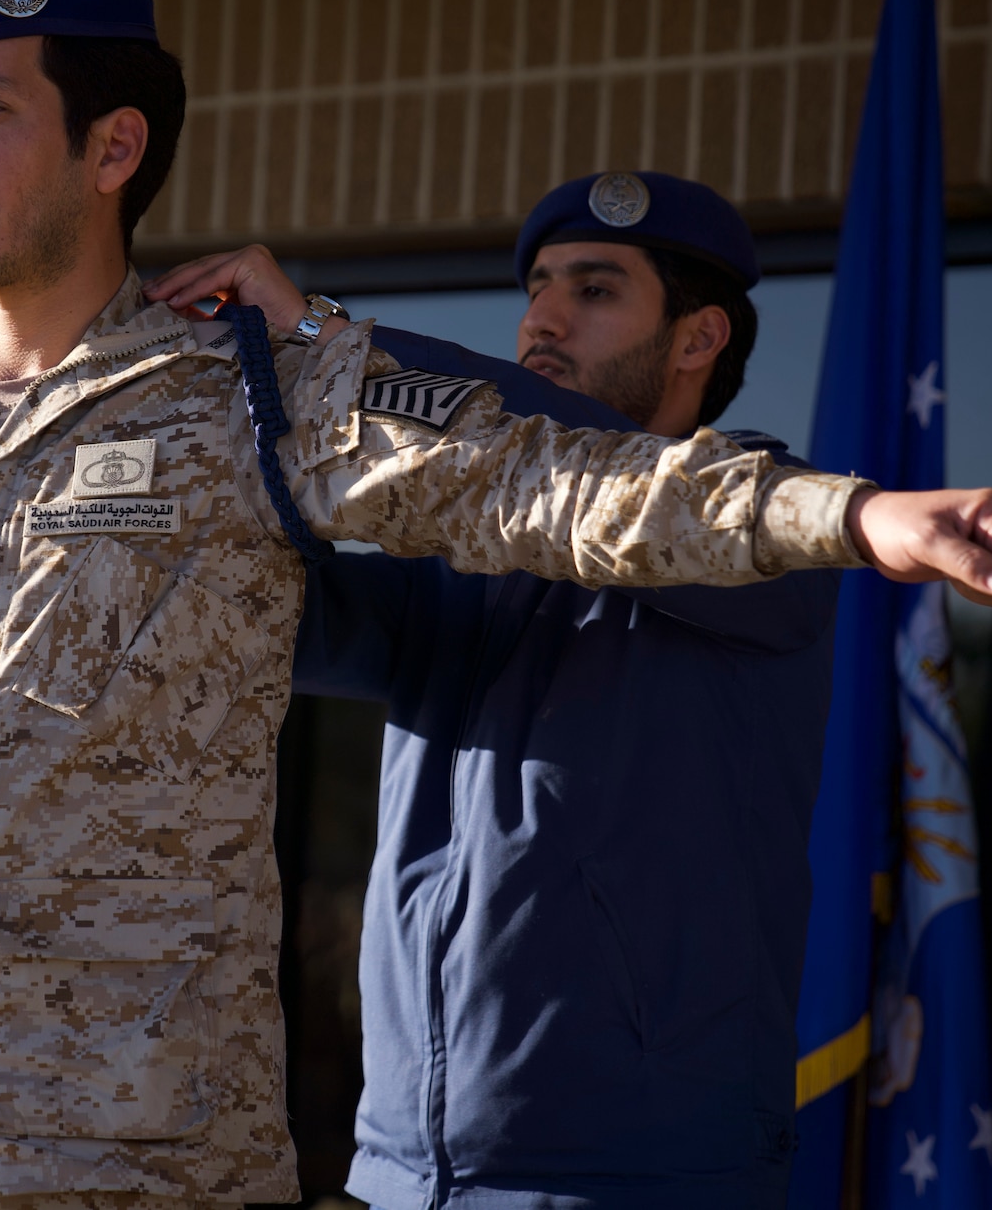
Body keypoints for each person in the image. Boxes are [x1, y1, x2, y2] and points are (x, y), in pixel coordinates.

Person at [0, 0, 992, 1210]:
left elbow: (567, 483)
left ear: (112, 148)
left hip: (135, 1156)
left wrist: (860, 515)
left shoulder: (259, 405)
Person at [143, 172, 940, 1210]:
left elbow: (563, 443)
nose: (541, 318)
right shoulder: (456, 559)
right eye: (538, 288)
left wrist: (328, 346)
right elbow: (240, 606)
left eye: (594, 291)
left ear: (697, 340)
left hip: (635, 1176)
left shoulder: (770, 526)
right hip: (400, 1174)